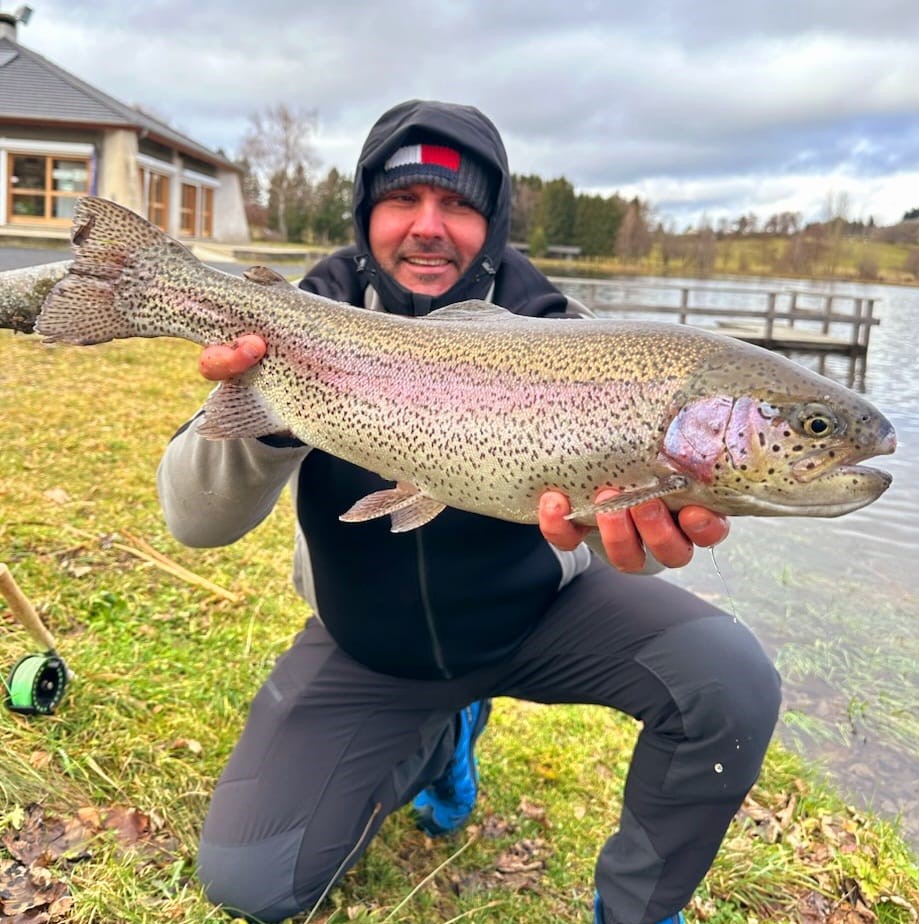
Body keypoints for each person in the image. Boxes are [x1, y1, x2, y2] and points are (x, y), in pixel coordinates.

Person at [156, 99, 781, 924]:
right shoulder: (304, 316)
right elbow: (195, 524)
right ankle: (442, 738)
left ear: (491, 224)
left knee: (730, 681)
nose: (428, 226)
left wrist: (636, 530)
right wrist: (266, 414)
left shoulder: (564, 333)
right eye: (402, 200)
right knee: (249, 884)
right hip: (368, 648)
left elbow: (619, 525)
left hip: (537, 620)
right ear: (364, 214)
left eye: (457, 204)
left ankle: (635, 911)